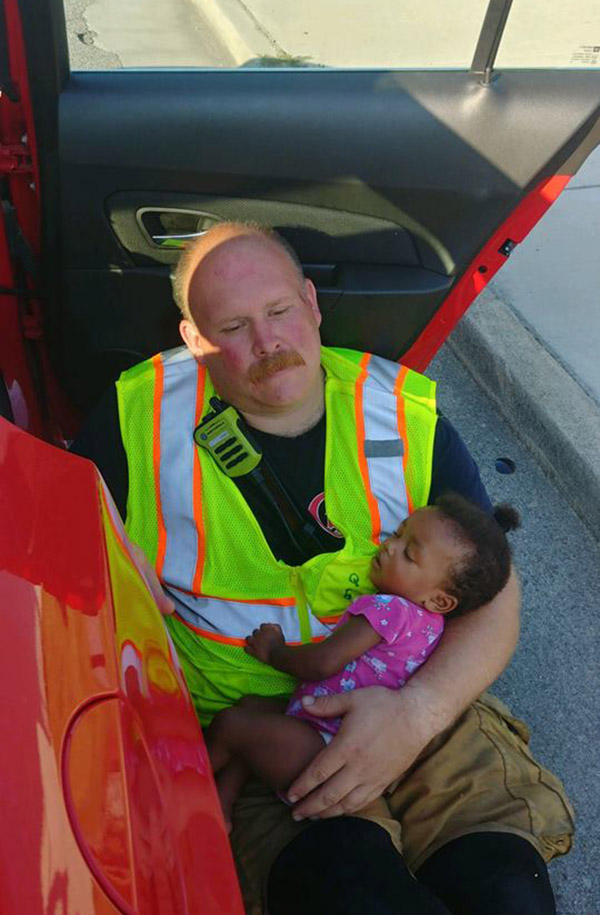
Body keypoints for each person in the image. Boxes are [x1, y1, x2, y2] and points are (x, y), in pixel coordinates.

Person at [72, 221, 573, 915]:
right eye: (234, 326)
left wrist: (415, 714)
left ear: (311, 303)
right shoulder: (136, 419)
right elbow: (51, 546)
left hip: (420, 699)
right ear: (193, 340)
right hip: (254, 732)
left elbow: (496, 593)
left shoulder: (397, 411)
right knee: (356, 894)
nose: (268, 343)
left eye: (279, 311)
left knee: (508, 893)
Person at [206, 496, 520, 832]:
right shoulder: (431, 626)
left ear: (440, 599)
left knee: (232, 724)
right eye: (398, 534)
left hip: (320, 747)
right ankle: (222, 804)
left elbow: (323, 663)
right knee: (252, 709)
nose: (389, 547)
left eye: (409, 553)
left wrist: (275, 652)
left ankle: (179, 784)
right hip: (340, 741)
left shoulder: (388, 610)